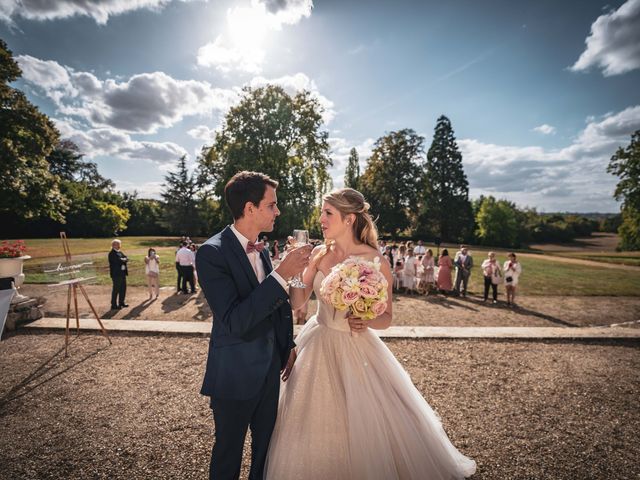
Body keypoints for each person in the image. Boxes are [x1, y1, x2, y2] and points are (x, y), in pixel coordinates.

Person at [264, 188, 476, 479]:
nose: (321, 219)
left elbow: (386, 318)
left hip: (356, 346)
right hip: (318, 337)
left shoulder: (375, 260)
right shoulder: (318, 253)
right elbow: (297, 304)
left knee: (364, 421)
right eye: (322, 212)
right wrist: (302, 269)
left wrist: (367, 321)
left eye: (328, 213)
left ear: (349, 219)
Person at [196, 171, 312, 480]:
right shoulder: (212, 253)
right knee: (228, 456)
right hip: (234, 374)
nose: (278, 211)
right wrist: (280, 275)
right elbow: (234, 321)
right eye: (272, 205)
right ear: (250, 208)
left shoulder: (258, 248)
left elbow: (276, 308)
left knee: (266, 455)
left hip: (270, 371)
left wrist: (287, 344)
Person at [108, 239, 128, 310]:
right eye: (117, 244)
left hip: (122, 273)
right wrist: (123, 259)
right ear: (113, 245)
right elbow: (118, 261)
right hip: (116, 274)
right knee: (116, 289)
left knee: (123, 288)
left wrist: (124, 259)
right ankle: (113, 304)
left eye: (119, 244)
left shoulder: (120, 252)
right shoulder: (112, 253)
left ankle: (121, 302)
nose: (119, 246)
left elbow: (126, 258)